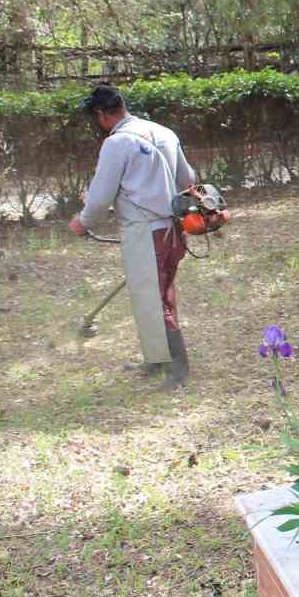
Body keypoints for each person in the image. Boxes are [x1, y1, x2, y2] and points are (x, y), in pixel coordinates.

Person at [68, 84, 196, 388]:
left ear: (101, 114)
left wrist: (83, 222)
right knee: (160, 294)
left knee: (153, 301)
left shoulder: (116, 143)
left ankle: (178, 370)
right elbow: (188, 179)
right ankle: (156, 360)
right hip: (174, 230)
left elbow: (100, 198)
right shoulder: (163, 131)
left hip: (145, 232)